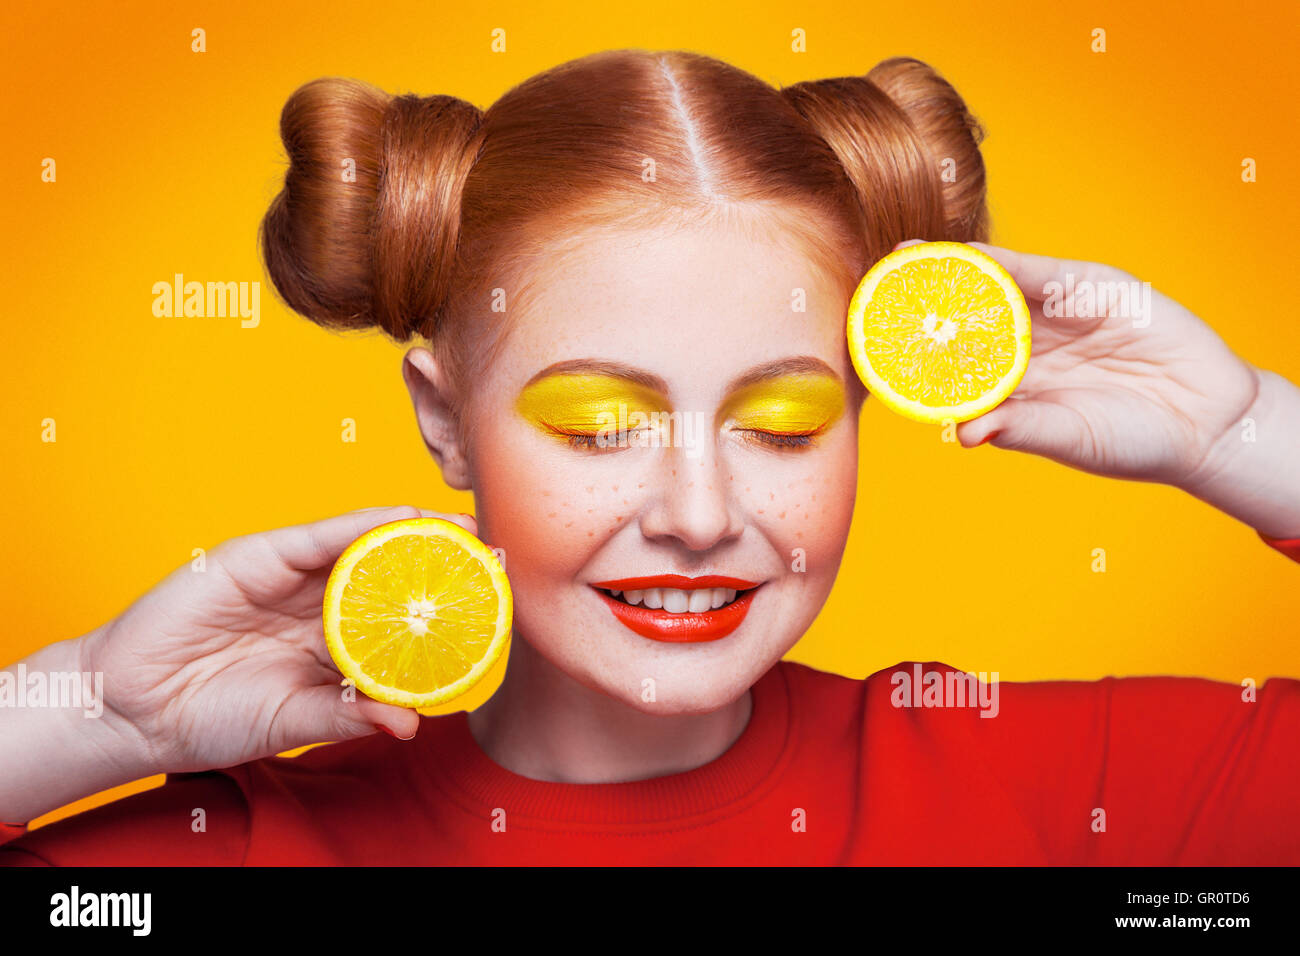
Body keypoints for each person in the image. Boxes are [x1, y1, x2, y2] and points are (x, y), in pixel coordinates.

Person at [2, 49, 1297, 865]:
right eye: (603, 425)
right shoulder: (241, 848)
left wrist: (1246, 435)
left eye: (782, 424)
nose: (697, 514)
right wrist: (86, 711)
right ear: (444, 422)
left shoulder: (1073, 796)